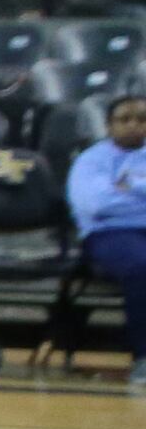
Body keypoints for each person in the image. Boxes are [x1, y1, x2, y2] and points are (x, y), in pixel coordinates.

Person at [69, 96, 146, 389]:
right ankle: (143, 358)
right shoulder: (92, 159)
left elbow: (111, 198)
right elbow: (96, 205)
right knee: (142, 267)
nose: (134, 126)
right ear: (109, 125)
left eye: (141, 119)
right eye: (124, 119)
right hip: (110, 234)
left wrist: (131, 187)